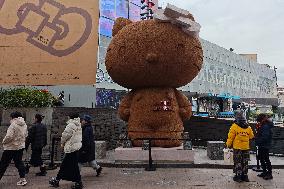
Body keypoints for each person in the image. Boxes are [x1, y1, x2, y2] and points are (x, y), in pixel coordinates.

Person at [49, 113, 83, 189]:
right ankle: (58, 180)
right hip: (76, 147)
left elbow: (65, 135)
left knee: (68, 165)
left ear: (70, 117)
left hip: (71, 148)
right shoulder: (78, 124)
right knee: (69, 165)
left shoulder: (71, 125)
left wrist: (62, 143)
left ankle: (78, 182)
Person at [0, 112, 28, 186]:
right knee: (19, 162)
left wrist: (4, 141)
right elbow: (26, 135)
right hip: (20, 147)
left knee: (3, 164)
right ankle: (23, 180)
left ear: (13, 117)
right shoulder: (24, 124)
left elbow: (9, 136)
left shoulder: (13, 124)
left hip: (10, 147)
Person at [226, 111, 254, 182]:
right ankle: (245, 176)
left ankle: (238, 177)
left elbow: (230, 138)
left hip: (237, 147)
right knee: (245, 161)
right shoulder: (248, 127)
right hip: (246, 147)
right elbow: (251, 136)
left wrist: (228, 145)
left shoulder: (234, 126)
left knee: (238, 161)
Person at [255, 113, 273, 180]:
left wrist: (257, 141)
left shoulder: (266, 126)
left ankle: (269, 174)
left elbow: (265, 137)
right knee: (261, 158)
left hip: (264, 145)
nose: (258, 122)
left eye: (259, 120)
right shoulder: (263, 125)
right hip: (262, 145)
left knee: (266, 159)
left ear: (262, 119)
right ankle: (265, 172)